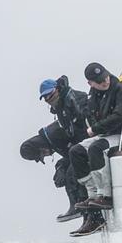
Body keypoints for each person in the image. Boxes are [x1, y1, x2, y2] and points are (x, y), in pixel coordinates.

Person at [69, 62, 122, 236]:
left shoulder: (120, 88)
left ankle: (104, 195)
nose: (105, 81)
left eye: (105, 77)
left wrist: (95, 129)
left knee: (96, 148)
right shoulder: (93, 95)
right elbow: (91, 115)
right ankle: (92, 195)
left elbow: (120, 116)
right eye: (99, 81)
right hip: (106, 135)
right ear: (91, 84)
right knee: (75, 151)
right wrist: (95, 127)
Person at [19, 77, 90, 222]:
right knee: (65, 166)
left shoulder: (73, 98)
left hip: (90, 139)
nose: (47, 99)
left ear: (57, 89)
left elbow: (82, 124)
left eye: (49, 94)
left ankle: (81, 208)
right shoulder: (59, 108)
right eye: (44, 97)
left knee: (72, 171)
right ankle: (83, 210)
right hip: (81, 144)